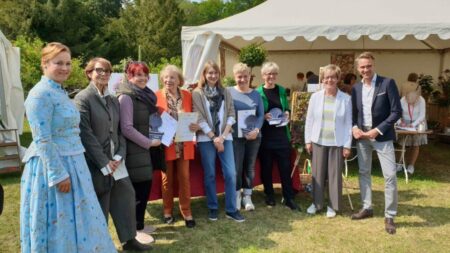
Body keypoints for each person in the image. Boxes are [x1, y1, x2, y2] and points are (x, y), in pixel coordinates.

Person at [20, 42, 116, 252]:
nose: (64, 68)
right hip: (54, 168)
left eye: (68, 63)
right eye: (58, 63)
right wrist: (58, 174)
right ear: (44, 64)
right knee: (60, 222)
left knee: (82, 219)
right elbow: (42, 139)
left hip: (75, 163)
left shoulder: (59, 92)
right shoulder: (39, 95)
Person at [74, 57, 152, 251]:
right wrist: (104, 162)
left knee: (126, 195)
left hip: (116, 160)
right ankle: (99, 244)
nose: (104, 74)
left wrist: (118, 156)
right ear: (89, 72)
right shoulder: (83, 98)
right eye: (99, 70)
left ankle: (129, 239)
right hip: (96, 163)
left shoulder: (112, 99)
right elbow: (86, 134)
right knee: (101, 204)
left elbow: (119, 132)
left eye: (107, 71)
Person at [351, 52, 402, 234]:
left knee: (389, 176)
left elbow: (396, 112)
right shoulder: (356, 88)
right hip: (362, 137)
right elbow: (354, 113)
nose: (366, 69)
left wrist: (378, 129)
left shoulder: (387, 83)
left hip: (382, 136)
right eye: (362, 67)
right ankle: (367, 207)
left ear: (374, 65)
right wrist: (354, 127)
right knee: (364, 172)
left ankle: (390, 215)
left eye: (368, 66)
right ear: (358, 69)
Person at [192, 60, 245, 222]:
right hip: (206, 139)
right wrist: (213, 137)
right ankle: (213, 207)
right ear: (204, 75)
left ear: (219, 75)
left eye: (215, 73)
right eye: (210, 73)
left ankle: (231, 209)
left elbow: (231, 114)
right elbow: (199, 117)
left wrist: (222, 137)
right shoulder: (197, 93)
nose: (213, 75)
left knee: (231, 173)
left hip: (225, 137)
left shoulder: (225, 92)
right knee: (210, 174)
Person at [117, 61, 160, 243]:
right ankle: (134, 231)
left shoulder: (146, 95)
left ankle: (140, 225)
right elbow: (126, 128)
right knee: (137, 191)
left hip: (145, 151)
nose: (142, 78)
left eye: (144, 74)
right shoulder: (126, 97)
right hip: (135, 151)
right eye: (137, 75)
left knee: (145, 187)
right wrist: (149, 143)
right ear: (129, 76)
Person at [304, 64, 352, 218]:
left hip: (337, 143)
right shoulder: (315, 97)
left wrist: (347, 145)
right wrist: (308, 140)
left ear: (338, 79)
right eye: (326, 77)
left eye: (332, 77)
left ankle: (333, 205)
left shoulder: (346, 99)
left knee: (334, 175)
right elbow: (309, 120)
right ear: (322, 79)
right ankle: (316, 204)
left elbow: (348, 123)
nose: (329, 80)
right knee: (317, 175)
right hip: (318, 140)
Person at [155, 65, 197, 228]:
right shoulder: (156, 96)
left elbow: (194, 116)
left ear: (179, 80)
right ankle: (167, 210)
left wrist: (195, 125)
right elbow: (153, 120)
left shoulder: (187, 95)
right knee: (167, 180)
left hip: (184, 143)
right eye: (165, 77)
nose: (168, 80)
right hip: (166, 144)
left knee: (184, 179)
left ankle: (186, 211)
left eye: (172, 77)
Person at [256, 61, 300, 211]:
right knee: (266, 168)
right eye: (268, 74)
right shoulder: (257, 92)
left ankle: (288, 198)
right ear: (263, 76)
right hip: (265, 137)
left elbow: (286, 107)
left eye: (274, 73)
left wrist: (287, 112)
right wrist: (263, 116)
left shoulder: (281, 90)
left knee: (285, 168)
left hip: (281, 136)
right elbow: (253, 114)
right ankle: (269, 195)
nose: (271, 76)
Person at [228, 63, 264, 211]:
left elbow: (261, 114)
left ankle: (247, 196)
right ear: (234, 77)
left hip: (254, 136)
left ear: (250, 77)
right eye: (239, 76)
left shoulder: (256, 94)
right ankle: (236, 195)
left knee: (249, 167)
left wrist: (256, 130)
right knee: (236, 167)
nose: (242, 79)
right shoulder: (228, 92)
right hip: (235, 137)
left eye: (245, 76)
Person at [397, 91, 427, 174]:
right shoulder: (402, 100)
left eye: (413, 103)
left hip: (418, 122)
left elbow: (422, 115)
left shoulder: (421, 100)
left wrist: (413, 125)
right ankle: (399, 164)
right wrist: (400, 122)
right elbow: (397, 113)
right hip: (404, 122)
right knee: (402, 143)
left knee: (415, 144)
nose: (410, 105)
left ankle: (411, 165)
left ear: (417, 99)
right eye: (409, 103)